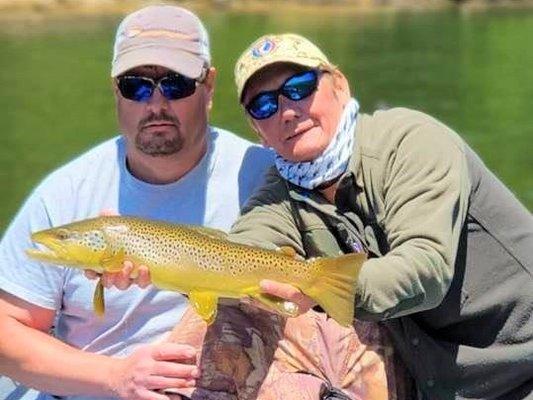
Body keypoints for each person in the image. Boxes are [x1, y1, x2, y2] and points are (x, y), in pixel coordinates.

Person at [225, 33, 533, 400]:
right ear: (255, 129)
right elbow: (237, 254)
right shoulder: (281, 188)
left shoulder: (411, 142)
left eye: (300, 87)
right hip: (439, 384)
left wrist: (314, 286)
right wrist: (165, 269)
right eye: (262, 105)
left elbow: (425, 269)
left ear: (339, 85)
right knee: (229, 316)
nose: (287, 112)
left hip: (522, 369)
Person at [0, 5, 274, 400]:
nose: (156, 104)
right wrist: (116, 376)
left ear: (209, 87)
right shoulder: (65, 193)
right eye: (136, 86)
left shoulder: (264, 175)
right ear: (115, 90)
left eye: (176, 84)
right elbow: (7, 333)